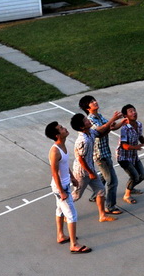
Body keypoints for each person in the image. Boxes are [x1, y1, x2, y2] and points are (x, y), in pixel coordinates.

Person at [44, 121, 91, 254]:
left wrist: (72, 177)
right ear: (57, 135)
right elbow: (54, 172)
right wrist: (62, 192)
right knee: (71, 215)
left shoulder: (62, 146)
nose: (64, 129)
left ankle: (60, 235)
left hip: (64, 184)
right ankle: (74, 244)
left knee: (60, 210)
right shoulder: (54, 151)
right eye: (61, 128)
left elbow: (64, 166)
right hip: (61, 188)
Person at [79, 95, 123, 215]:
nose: (95, 102)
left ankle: (95, 196)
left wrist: (122, 121)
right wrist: (112, 119)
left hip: (105, 152)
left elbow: (109, 128)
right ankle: (110, 206)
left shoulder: (100, 116)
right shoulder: (90, 120)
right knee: (112, 181)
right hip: (100, 155)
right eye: (91, 102)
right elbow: (100, 131)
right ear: (87, 108)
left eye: (94, 100)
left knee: (104, 177)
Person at [70, 113, 117, 223]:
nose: (88, 120)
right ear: (82, 127)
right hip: (82, 172)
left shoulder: (90, 132)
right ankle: (62, 210)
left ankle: (102, 215)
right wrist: (90, 172)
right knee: (76, 195)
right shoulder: (83, 141)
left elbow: (100, 133)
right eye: (86, 120)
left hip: (90, 169)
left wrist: (109, 127)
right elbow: (81, 159)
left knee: (100, 191)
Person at [116, 104, 144, 205]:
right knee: (135, 176)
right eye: (130, 111)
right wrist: (136, 147)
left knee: (142, 175)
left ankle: (131, 188)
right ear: (126, 115)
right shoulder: (124, 128)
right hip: (123, 157)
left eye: (134, 110)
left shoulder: (139, 124)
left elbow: (140, 136)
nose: (134, 112)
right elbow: (124, 145)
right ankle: (127, 195)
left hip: (133, 155)